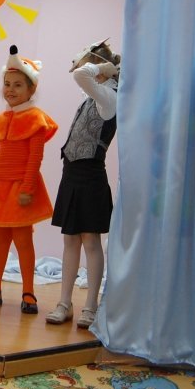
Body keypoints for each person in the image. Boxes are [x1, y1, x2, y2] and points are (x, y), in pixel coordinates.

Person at [0, 46, 58, 314]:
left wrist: (27, 188)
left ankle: (28, 292)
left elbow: (35, 158)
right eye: (7, 84)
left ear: (31, 89)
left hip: (20, 188)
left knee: (23, 240)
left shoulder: (36, 119)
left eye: (18, 85)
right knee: (0, 238)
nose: (10, 90)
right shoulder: (1, 120)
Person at [45, 39, 120, 329]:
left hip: (91, 173)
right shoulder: (93, 94)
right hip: (72, 172)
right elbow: (80, 73)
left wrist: (105, 67)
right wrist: (103, 67)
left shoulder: (109, 97)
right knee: (70, 239)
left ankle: (91, 305)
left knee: (90, 240)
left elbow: (80, 73)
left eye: (91, 64)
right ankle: (64, 302)